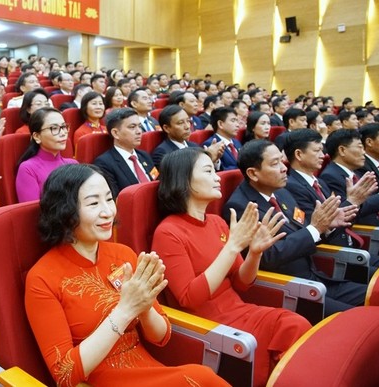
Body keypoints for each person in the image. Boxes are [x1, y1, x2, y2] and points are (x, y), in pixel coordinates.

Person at [25, 163, 227, 387]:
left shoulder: (123, 255)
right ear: (64, 211)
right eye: (93, 203)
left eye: (109, 199)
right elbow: (65, 374)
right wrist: (125, 309)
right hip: (98, 381)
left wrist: (145, 305)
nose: (108, 211)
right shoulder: (42, 279)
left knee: (202, 378)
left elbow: (161, 336)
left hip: (149, 371)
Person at [152, 147, 311, 387]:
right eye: (208, 171)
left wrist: (254, 253)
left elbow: (242, 283)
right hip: (208, 325)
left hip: (240, 310)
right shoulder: (168, 232)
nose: (218, 177)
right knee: (254, 356)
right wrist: (232, 247)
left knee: (296, 325)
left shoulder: (216, 222)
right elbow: (189, 298)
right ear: (183, 180)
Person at [223, 140, 368, 316]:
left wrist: (326, 227)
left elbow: (305, 230)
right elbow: (268, 256)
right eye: (275, 164)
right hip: (291, 290)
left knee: (378, 294)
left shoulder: (282, 192)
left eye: (281, 160)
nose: (284, 168)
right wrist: (315, 228)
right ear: (253, 173)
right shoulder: (241, 207)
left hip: (317, 277)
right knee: (362, 317)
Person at [16, 107, 78, 202]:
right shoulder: (28, 168)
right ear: (37, 136)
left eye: (64, 127)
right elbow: (31, 213)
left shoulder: (73, 165)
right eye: (54, 128)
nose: (63, 133)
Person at [94, 108, 157, 198]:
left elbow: (157, 181)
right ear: (115, 133)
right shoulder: (104, 163)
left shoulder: (144, 155)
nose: (139, 131)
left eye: (139, 126)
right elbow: (116, 199)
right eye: (132, 127)